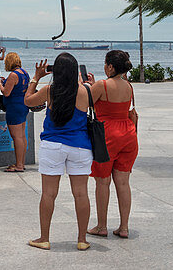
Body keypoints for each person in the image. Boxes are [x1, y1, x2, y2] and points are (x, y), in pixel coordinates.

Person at [24, 54, 93, 251]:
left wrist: (36, 77)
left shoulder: (49, 91)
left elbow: (28, 101)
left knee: (48, 194)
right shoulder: (85, 91)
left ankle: (44, 238)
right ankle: (82, 239)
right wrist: (83, 82)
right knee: (81, 194)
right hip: (80, 146)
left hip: (53, 146)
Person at [87, 50, 138, 240]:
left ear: (110, 66)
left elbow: (84, 102)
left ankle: (101, 226)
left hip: (107, 136)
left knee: (103, 181)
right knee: (123, 183)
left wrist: (85, 86)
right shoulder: (129, 86)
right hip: (128, 134)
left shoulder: (102, 85)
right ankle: (124, 227)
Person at [0, 51, 29, 172]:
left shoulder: (13, 75)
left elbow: (6, 92)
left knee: (16, 137)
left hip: (14, 108)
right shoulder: (24, 73)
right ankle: (22, 162)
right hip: (23, 105)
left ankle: (19, 165)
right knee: (22, 136)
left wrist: (0, 83)